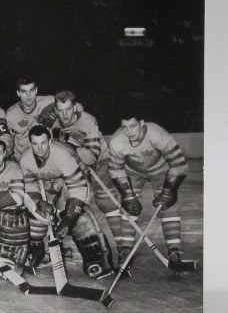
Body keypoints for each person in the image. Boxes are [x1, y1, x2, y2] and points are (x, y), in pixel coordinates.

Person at [20, 125, 113, 278]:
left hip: (72, 180)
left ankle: (97, 258)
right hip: (47, 182)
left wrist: (69, 219)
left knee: (78, 216)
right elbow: (29, 186)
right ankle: (37, 250)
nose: (40, 148)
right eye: (35, 144)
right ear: (30, 144)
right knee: (37, 214)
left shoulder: (63, 156)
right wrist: (38, 202)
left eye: (43, 143)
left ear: (49, 142)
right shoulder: (25, 160)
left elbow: (78, 188)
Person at [108, 111, 188, 271]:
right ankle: (125, 249)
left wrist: (168, 192)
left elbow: (179, 164)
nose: (129, 132)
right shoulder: (117, 141)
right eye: (125, 127)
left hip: (161, 170)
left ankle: (174, 250)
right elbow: (116, 170)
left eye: (133, 126)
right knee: (129, 207)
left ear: (142, 123)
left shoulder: (157, 134)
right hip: (133, 172)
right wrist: (128, 196)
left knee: (169, 206)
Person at [49, 91, 120, 247]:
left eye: (68, 109)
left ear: (74, 107)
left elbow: (91, 157)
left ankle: (122, 245)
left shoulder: (88, 121)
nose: (64, 114)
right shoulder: (55, 127)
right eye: (60, 110)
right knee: (73, 203)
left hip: (100, 161)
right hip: (77, 164)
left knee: (107, 203)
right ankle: (87, 245)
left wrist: (69, 140)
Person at [6, 78, 56, 161]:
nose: (28, 95)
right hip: (24, 158)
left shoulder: (49, 101)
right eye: (24, 92)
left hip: (48, 155)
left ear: (36, 90)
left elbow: (76, 106)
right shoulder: (11, 114)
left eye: (31, 90)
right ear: (18, 93)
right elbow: (8, 140)